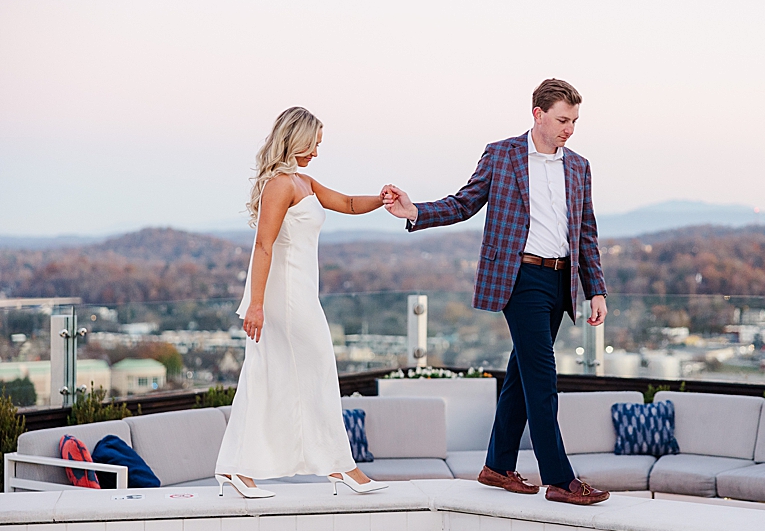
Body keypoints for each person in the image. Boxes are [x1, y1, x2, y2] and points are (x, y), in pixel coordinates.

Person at [382, 79, 609, 505]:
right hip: (520, 281)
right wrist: (415, 211)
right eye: (563, 120)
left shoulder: (579, 166)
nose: (570, 129)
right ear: (537, 114)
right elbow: (465, 202)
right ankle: (560, 479)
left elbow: (586, 233)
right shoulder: (502, 155)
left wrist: (595, 290)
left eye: (575, 121)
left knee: (522, 379)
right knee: (543, 380)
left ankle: (497, 466)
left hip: (560, 282)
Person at [215, 107, 388, 499]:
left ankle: (236, 469)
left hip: (300, 293)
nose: (316, 153)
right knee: (316, 371)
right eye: (313, 145)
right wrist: (256, 304)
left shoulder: (303, 181)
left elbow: (345, 202)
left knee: (267, 374)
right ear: (296, 139)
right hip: (285, 297)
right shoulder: (280, 185)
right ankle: (341, 467)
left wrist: (380, 199)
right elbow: (263, 245)